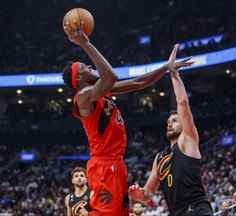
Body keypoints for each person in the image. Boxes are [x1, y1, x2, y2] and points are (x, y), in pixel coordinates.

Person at [62, 24, 191, 215]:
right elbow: (111, 76)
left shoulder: (102, 91)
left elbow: (138, 83)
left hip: (115, 163)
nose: (90, 66)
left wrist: (165, 68)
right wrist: (86, 45)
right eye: (85, 66)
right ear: (79, 77)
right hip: (105, 165)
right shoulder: (83, 96)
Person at [129, 45, 213, 216]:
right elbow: (148, 194)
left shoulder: (188, 139)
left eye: (174, 121)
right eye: (168, 121)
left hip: (196, 209)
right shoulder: (160, 157)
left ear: (183, 124)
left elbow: (182, 102)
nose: (169, 123)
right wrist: (139, 196)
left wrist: (173, 73)